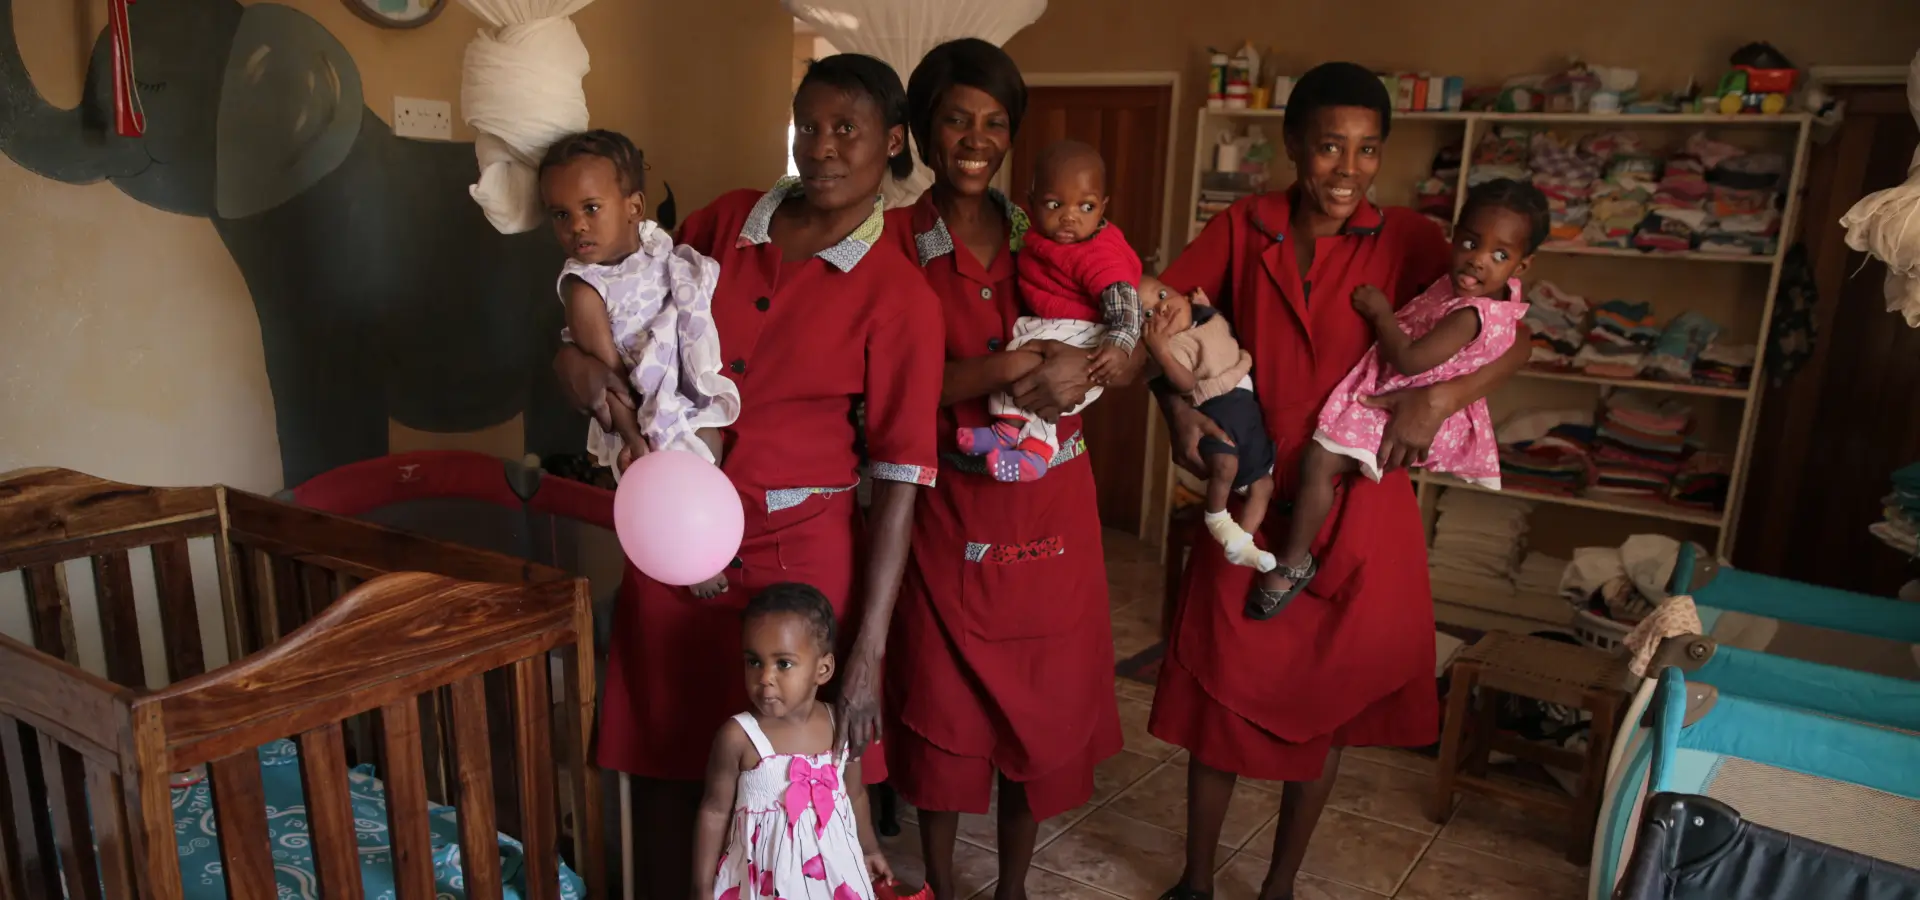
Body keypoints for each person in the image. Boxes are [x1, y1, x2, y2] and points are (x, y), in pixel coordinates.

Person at [552, 54, 943, 900]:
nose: (824, 148)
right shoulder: (724, 224)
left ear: (894, 141)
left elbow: (902, 479)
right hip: (674, 532)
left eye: (848, 129)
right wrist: (571, 365)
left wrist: (868, 650)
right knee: (664, 754)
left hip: (800, 556)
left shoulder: (899, 294)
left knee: (794, 782)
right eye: (809, 127)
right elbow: (618, 306)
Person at [1148, 62, 1531, 900]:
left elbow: (1514, 331)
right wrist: (1175, 410)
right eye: (1329, 147)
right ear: (1293, 147)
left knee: (1329, 712)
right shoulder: (1244, 226)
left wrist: (1441, 398)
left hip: (1359, 506)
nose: (1347, 170)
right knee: (1219, 696)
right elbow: (1163, 309)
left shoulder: (1422, 241)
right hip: (1251, 499)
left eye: (1366, 151)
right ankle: (1197, 882)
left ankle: (1281, 886)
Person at [881, 38, 1135, 900]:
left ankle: (1015, 887)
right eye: (956, 118)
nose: (976, 137)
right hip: (948, 508)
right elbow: (889, 393)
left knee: (1044, 698)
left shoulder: (1055, 226)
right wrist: (1020, 369)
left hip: (1053, 505)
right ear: (922, 129)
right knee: (946, 705)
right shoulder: (892, 243)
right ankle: (948, 885)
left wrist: (1110, 361)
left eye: (995, 121)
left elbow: (1131, 338)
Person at [1259, 178, 1545, 612]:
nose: (1477, 261)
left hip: (1405, 394)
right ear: (1454, 234)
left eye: (1499, 255)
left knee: (1318, 461)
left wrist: (1380, 315)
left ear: (1521, 267)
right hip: (1414, 393)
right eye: (1470, 242)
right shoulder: (1490, 291)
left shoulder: (1470, 313)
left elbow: (1409, 360)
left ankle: (1293, 561)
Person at [538, 129, 740, 596]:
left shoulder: (654, 246)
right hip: (636, 404)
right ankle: (692, 559)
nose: (577, 227)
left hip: (678, 381)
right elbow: (610, 379)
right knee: (669, 466)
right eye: (561, 215)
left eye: (591, 208)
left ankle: (705, 538)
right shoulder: (585, 287)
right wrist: (636, 440)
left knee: (710, 444)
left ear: (633, 208)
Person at [953, 140, 1143, 482]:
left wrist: (1118, 345)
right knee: (1017, 354)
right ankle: (1006, 431)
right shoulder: (1036, 238)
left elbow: (1125, 303)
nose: (1070, 216)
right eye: (1055, 204)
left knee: (1040, 376)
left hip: (1087, 333)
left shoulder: (1097, 252)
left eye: (1086, 207)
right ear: (1031, 203)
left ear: (1103, 208)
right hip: (1052, 324)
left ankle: (1038, 451)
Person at [693, 584, 894, 900]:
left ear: (823, 669)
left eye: (783, 664)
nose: (764, 677)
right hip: (763, 883)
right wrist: (702, 886)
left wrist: (869, 849)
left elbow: (855, 795)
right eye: (754, 661)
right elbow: (714, 812)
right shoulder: (738, 737)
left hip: (834, 875)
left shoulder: (840, 726)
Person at [1136, 274, 1278, 576]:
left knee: (1264, 484)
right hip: (1217, 412)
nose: (1160, 309)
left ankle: (1242, 541)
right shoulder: (1173, 347)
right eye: (1148, 314)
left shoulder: (1206, 318)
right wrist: (1160, 351)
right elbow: (1185, 383)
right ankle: (1218, 520)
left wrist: (1204, 305)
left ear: (1183, 296)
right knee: (1225, 466)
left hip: (1247, 411)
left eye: (1162, 295)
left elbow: (1219, 339)